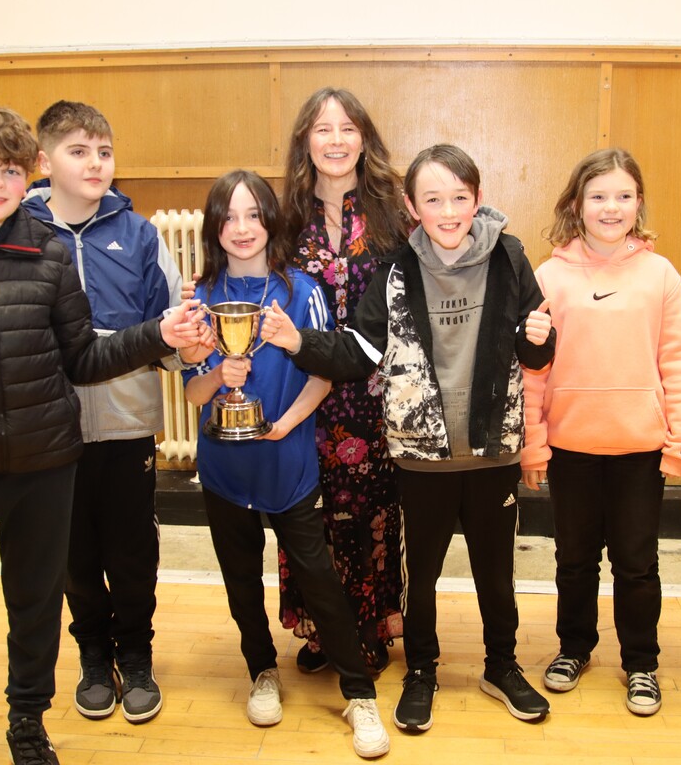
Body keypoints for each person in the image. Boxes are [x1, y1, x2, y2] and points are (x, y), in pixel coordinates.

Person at [0, 104, 210, 765]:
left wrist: (158, 334)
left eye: (8, 170)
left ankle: (28, 722)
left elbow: (83, 359)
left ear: (28, 178)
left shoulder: (48, 254)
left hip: (46, 469)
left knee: (35, 609)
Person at [261, 144, 556, 732]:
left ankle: (502, 665)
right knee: (419, 573)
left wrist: (542, 338)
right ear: (411, 205)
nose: (448, 210)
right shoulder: (396, 269)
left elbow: (533, 348)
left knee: (496, 572)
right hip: (421, 457)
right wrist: (300, 343)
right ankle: (421, 669)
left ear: (477, 198)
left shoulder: (510, 256)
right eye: (433, 198)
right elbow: (358, 351)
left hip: (492, 448)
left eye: (460, 197)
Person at [182, 169, 389, 759]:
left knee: (318, 577)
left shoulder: (302, 291)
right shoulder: (199, 296)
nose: (242, 228)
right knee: (240, 578)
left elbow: (323, 375)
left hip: (288, 462)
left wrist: (286, 426)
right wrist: (220, 376)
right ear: (214, 228)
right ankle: (261, 672)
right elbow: (194, 396)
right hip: (224, 466)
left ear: (271, 222)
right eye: (229, 217)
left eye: (253, 215)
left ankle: (358, 693)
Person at [521, 148, 681, 717]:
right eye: (598, 195)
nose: (611, 206)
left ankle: (641, 662)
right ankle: (574, 648)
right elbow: (532, 370)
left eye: (624, 195)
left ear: (639, 203)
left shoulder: (661, 274)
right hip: (572, 448)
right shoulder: (548, 275)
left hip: (640, 452)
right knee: (573, 559)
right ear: (577, 204)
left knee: (636, 561)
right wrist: (533, 442)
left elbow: (678, 360)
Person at [23, 100, 185, 724]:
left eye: (105, 152)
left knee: (131, 547)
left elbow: (168, 324)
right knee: (73, 550)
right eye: (78, 151)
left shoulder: (139, 233)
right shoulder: (19, 230)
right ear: (44, 161)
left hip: (125, 423)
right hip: (49, 427)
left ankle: (136, 655)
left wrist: (188, 346)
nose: (95, 163)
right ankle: (93, 654)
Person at [279, 87, 409, 674]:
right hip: (301, 394)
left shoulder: (393, 215)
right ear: (306, 140)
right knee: (308, 517)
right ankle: (319, 631)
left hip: (372, 398)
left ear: (364, 139)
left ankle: (370, 627)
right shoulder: (284, 218)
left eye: (347, 128)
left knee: (370, 516)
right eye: (323, 129)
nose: (335, 140)